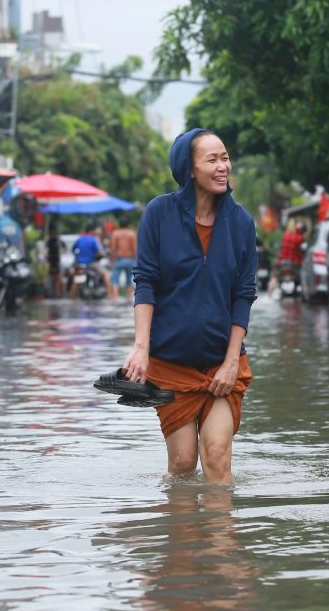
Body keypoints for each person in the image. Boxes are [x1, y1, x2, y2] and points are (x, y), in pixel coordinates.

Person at [122, 128, 257, 484]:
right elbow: (145, 282)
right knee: (182, 464)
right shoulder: (159, 214)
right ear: (189, 169)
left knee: (216, 456)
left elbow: (244, 294)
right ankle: (181, 540)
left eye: (225, 157)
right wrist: (141, 347)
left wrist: (231, 363)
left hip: (221, 364)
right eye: (211, 159)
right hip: (171, 365)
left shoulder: (241, 222)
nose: (222, 166)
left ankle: (219, 539)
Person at [70, 224, 116, 299]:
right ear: (92, 231)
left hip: (80, 263)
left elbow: (73, 249)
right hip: (91, 263)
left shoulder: (80, 239)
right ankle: (110, 296)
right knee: (106, 274)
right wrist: (103, 254)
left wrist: (79, 255)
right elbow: (100, 252)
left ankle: (72, 298)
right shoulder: (94, 239)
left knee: (76, 280)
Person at [109, 217, 138, 300]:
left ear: (119, 224)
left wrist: (112, 260)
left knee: (115, 280)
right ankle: (128, 299)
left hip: (119, 259)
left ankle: (115, 299)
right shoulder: (132, 233)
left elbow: (113, 248)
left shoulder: (115, 233)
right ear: (128, 224)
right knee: (129, 280)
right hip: (129, 259)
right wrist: (135, 260)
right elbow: (134, 248)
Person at [46, 226, 65, 298]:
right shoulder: (49, 241)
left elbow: (64, 248)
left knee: (57, 278)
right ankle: (54, 292)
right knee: (52, 278)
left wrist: (61, 252)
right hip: (50, 262)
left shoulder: (58, 240)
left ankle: (58, 292)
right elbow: (46, 250)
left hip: (56, 261)